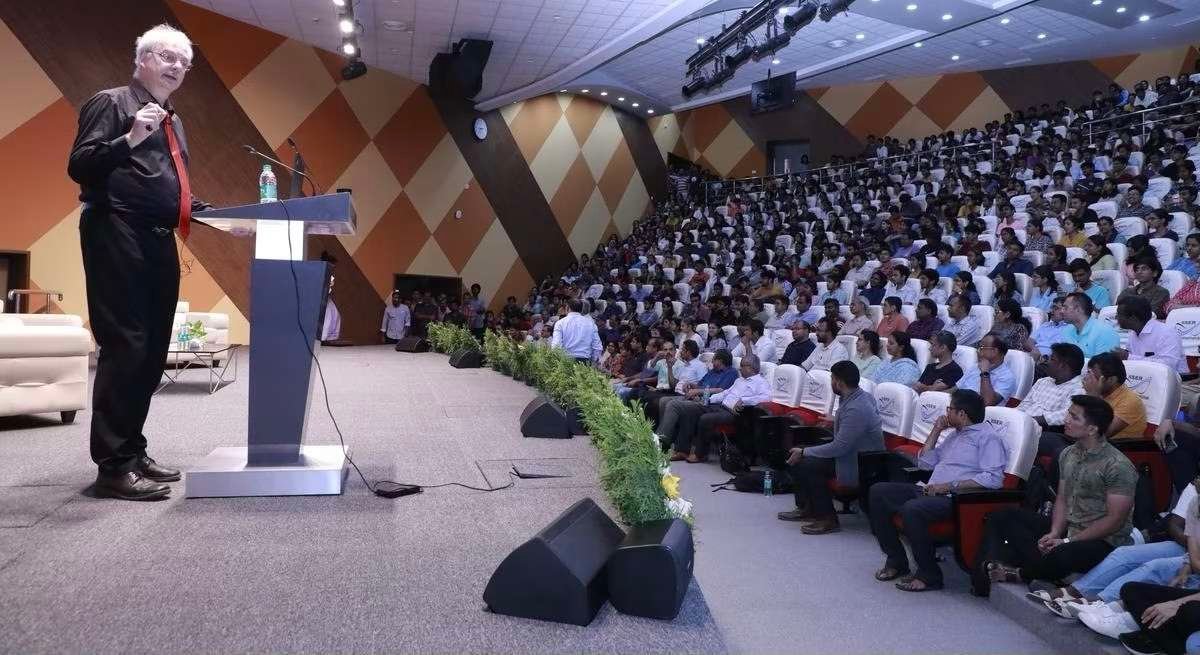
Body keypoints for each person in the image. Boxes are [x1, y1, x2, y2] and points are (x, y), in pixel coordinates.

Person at [69, 24, 212, 500]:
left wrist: (224, 216)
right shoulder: (111, 103)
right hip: (116, 229)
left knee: (151, 351)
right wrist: (129, 138)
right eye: (168, 56)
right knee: (126, 344)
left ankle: (132, 450)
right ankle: (112, 466)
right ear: (143, 58)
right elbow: (81, 165)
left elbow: (169, 185)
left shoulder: (174, 119)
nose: (177, 67)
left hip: (158, 238)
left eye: (184, 63)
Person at [975, 396, 1137, 596]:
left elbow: (1114, 521)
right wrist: (1054, 532)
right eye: (1068, 414)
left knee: (1063, 554)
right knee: (1002, 517)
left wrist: (1068, 541)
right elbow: (1062, 497)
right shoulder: (1068, 453)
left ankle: (1022, 572)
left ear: (1092, 429)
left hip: (1104, 540)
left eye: (1074, 417)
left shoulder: (1117, 465)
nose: (1066, 420)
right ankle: (987, 581)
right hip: (1070, 528)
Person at [869, 389, 1009, 592]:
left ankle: (929, 574)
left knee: (912, 509)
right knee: (878, 492)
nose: (946, 413)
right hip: (930, 490)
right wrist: (936, 430)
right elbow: (925, 463)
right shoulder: (955, 435)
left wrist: (949, 486)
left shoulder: (988, 438)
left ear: (962, 414)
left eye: (950, 409)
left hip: (957, 499)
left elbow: (994, 479)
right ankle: (896, 561)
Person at [1031, 478, 1199, 628]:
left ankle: (1099, 602)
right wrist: (1190, 555)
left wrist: (1192, 558)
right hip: (1185, 547)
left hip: (1194, 555)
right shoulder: (1195, 493)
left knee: (1154, 567)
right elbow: (1175, 524)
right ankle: (1075, 591)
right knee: (1125, 554)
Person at [779, 361, 884, 535]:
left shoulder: (857, 407)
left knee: (807, 462)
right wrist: (836, 420)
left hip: (861, 464)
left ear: (839, 382)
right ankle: (808, 508)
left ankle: (827, 518)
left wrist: (805, 452)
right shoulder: (857, 396)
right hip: (852, 454)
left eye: (832, 379)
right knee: (800, 450)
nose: (831, 382)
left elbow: (839, 447)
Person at [673, 355, 771, 463]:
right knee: (689, 410)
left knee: (706, 419)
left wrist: (744, 400)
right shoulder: (739, 380)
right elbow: (726, 393)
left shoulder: (761, 382)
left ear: (750, 367)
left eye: (742, 366)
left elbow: (767, 398)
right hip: (720, 406)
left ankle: (700, 454)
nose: (739, 368)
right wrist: (709, 399)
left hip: (735, 413)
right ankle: (682, 450)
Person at [659, 349, 738, 455]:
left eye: (713, 360)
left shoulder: (731, 373)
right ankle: (669, 437)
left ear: (720, 360)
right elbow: (700, 384)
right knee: (664, 401)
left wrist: (698, 391)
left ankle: (661, 441)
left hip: (710, 403)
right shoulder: (712, 372)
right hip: (697, 397)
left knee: (674, 405)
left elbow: (722, 390)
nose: (711, 362)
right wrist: (691, 385)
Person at [1114, 295, 1189, 377]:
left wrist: (1128, 357)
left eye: (1119, 314)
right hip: (1145, 379)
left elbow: (1168, 366)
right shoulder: (1133, 333)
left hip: (1174, 382)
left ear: (1133, 318)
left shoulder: (1167, 333)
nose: (1116, 317)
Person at [1020, 342, 1086, 433]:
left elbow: (1065, 416)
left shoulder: (1078, 389)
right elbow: (1025, 404)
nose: (1046, 362)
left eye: (1052, 359)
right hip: (1022, 424)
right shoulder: (1043, 381)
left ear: (1063, 365)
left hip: (1043, 431)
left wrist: (1030, 420)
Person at [1083, 352, 1148, 441]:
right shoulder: (1099, 393)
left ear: (1111, 380)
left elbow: (1098, 434)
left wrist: (1093, 397)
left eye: (1094, 377)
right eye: (1088, 373)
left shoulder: (1130, 401)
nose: (1087, 379)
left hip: (1119, 450)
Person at [955, 333, 1017, 406]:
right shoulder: (975, 367)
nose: (978, 351)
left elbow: (987, 402)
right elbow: (956, 389)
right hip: (959, 405)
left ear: (995, 351)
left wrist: (985, 373)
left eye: (981, 347)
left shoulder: (1007, 377)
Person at [1062, 292, 1120, 358]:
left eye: (1065, 308)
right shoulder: (1066, 330)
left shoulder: (1105, 332)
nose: (1062, 311)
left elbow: (1105, 365)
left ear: (1078, 309)